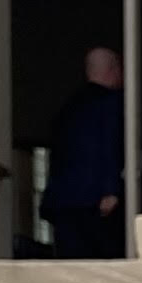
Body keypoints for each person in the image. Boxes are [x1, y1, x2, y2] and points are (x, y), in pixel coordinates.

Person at [47, 45, 127, 259]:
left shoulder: (67, 107)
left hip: (64, 199)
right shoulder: (112, 103)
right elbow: (110, 144)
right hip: (96, 199)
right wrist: (111, 190)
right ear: (114, 70)